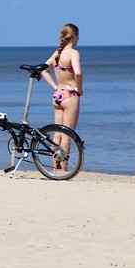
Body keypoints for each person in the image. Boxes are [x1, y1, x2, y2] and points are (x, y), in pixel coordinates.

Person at [41, 24, 82, 170]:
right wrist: (79, 89)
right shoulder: (73, 53)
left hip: (58, 94)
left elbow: (44, 70)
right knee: (67, 134)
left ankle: (55, 168)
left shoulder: (57, 53)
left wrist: (55, 86)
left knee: (57, 133)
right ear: (74, 35)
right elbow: (77, 73)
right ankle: (64, 169)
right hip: (70, 95)